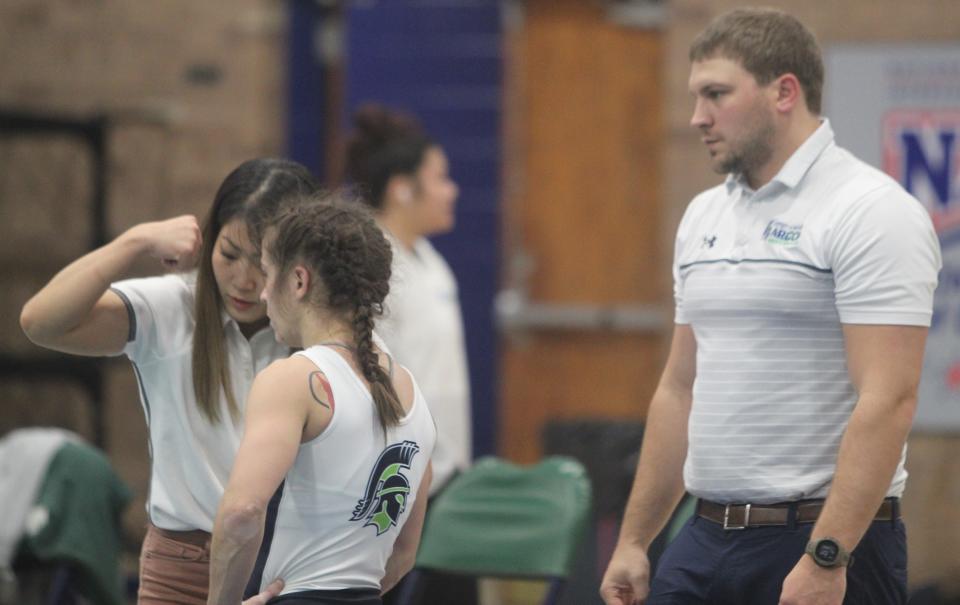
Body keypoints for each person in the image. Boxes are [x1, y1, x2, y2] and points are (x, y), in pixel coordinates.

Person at [600, 8, 941, 605]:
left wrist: (828, 556)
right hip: (704, 537)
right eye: (695, 96)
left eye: (716, 94)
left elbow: (888, 399)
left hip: (823, 544)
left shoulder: (869, 210)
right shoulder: (704, 214)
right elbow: (680, 387)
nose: (696, 117)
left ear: (785, 91)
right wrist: (635, 540)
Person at [19, 158, 319, 604]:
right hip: (181, 567)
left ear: (297, 263)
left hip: (290, 567)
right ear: (208, 241)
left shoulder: (317, 332)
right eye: (229, 254)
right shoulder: (172, 306)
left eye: (260, 261)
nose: (242, 278)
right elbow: (40, 323)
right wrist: (134, 240)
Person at [207, 195, 436, 605]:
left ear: (298, 281)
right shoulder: (413, 396)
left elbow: (241, 514)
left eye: (266, 273)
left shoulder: (294, 379)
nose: (261, 295)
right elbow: (403, 553)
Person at [344, 104, 473, 605]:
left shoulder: (431, 261)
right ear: (402, 188)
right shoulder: (367, 261)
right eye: (439, 178)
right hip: (391, 485)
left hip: (445, 482)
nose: (451, 189)